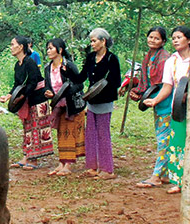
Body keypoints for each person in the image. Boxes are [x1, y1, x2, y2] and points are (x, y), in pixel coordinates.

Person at [143, 26, 190, 197]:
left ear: (188, 40)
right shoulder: (171, 61)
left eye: (179, 37)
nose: (175, 40)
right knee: (177, 143)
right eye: (173, 38)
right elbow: (167, 86)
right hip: (177, 108)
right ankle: (177, 181)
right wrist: (155, 100)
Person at [68, 28, 121, 180]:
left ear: (103, 41)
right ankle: (92, 167)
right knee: (90, 134)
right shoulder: (91, 57)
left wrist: (100, 90)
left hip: (104, 101)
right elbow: (81, 77)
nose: (91, 44)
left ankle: (107, 170)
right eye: (91, 41)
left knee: (103, 134)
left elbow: (116, 81)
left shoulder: (112, 59)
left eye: (94, 41)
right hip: (92, 101)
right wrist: (68, 72)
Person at [0, 36, 54, 169]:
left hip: (37, 98)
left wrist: (22, 96)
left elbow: (33, 82)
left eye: (13, 44)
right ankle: (26, 156)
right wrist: (9, 96)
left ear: (21, 47)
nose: (11, 47)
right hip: (28, 98)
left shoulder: (30, 62)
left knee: (36, 127)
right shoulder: (18, 65)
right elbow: (17, 84)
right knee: (27, 127)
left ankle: (33, 160)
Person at [131, 27, 172, 188]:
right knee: (163, 137)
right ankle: (166, 174)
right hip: (155, 101)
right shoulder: (148, 57)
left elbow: (164, 83)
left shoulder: (165, 59)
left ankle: (156, 176)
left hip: (166, 101)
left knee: (164, 139)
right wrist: (139, 93)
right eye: (150, 37)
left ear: (163, 41)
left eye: (156, 38)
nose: (152, 40)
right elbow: (145, 83)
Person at [43, 38, 86, 176]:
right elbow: (48, 86)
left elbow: (80, 84)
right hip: (58, 105)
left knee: (71, 133)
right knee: (61, 133)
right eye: (48, 48)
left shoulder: (69, 66)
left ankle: (68, 164)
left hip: (72, 104)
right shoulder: (47, 68)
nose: (48, 51)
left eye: (51, 48)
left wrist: (66, 92)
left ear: (60, 50)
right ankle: (61, 162)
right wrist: (49, 93)